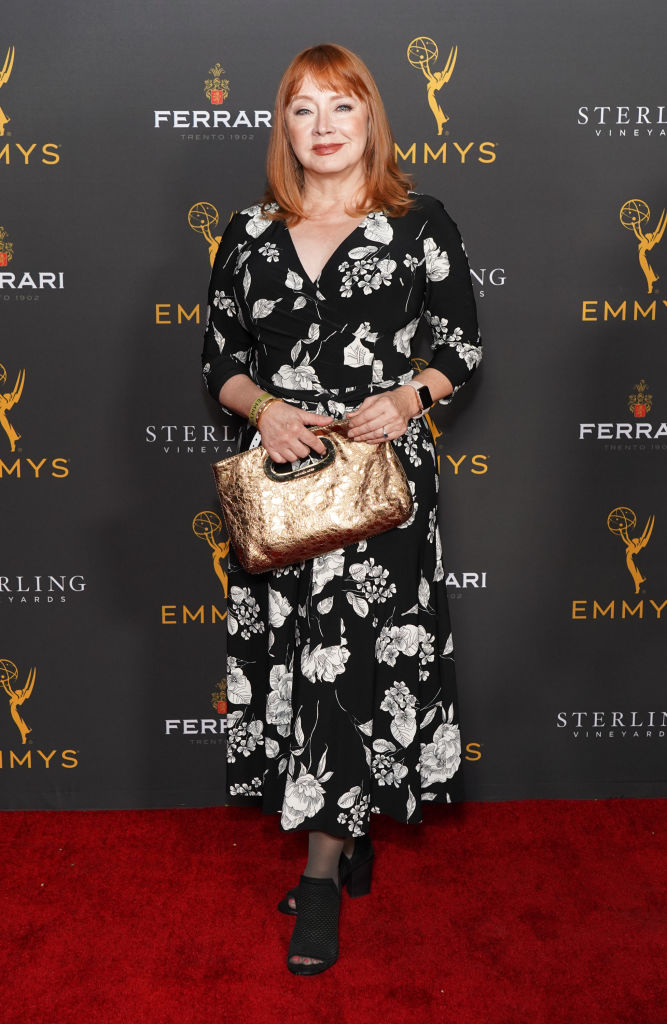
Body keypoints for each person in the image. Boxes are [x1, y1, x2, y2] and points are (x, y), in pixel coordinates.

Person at [201, 43, 481, 975]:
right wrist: (264, 410)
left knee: (353, 664)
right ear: (282, 126)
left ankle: (318, 879)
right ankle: (347, 836)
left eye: (341, 107)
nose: (323, 127)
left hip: (380, 482)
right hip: (284, 485)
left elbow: (461, 348)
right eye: (302, 109)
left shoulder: (418, 222)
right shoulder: (248, 232)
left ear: (370, 120)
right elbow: (219, 361)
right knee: (302, 661)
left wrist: (407, 397)